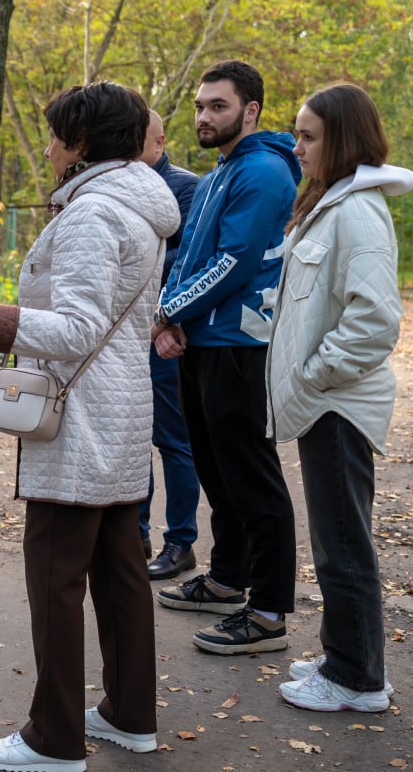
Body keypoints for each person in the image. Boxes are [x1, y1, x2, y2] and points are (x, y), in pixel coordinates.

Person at [0, 81, 178, 771]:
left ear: (85, 144)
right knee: (121, 572)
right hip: (119, 411)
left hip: (81, 418)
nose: (48, 146)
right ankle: (128, 713)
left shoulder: (95, 213)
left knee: (57, 579)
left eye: (58, 135)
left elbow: (79, 326)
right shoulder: (136, 205)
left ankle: (54, 737)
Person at [270, 83, 413, 712]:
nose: (296, 147)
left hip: (338, 404)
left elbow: (375, 321)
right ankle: (343, 656)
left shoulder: (357, 211)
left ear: (343, 140)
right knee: (335, 539)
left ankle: (358, 679)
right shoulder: (333, 203)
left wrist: (315, 377)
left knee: (344, 544)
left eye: (308, 136)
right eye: (297, 133)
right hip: (323, 401)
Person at [152, 59, 299, 656]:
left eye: (218, 105)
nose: (204, 115)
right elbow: (187, 257)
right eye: (199, 105)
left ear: (251, 110)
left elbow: (233, 262)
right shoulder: (220, 171)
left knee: (252, 476)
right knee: (217, 471)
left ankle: (266, 613)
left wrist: (169, 314)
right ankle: (227, 578)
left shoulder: (262, 171)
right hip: (203, 343)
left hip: (239, 346)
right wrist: (173, 312)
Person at [135, 109, 203, 580]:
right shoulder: (120, 186)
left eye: (134, 140)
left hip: (165, 332)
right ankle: (134, 532)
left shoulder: (185, 186)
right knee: (133, 440)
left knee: (173, 441)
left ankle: (180, 542)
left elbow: (190, 255)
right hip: (126, 336)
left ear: (159, 143)